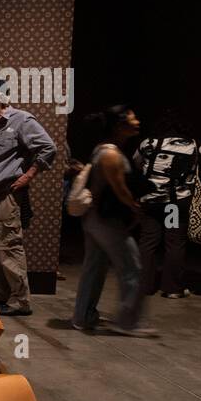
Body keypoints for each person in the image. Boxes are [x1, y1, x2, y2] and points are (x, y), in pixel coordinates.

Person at [0, 85, 56, 316]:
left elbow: (48, 148)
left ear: (0, 97)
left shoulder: (21, 120)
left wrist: (28, 175)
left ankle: (20, 300)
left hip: (2, 195)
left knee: (8, 246)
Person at [72, 105, 155, 336]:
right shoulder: (111, 154)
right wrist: (135, 208)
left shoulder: (103, 150)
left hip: (94, 218)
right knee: (132, 267)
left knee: (94, 268)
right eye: (132, 117)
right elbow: (119, 189)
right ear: (120, 125)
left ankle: (83, 318)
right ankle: (129, 322)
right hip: (106, 220)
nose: (137, 121)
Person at [134, 124, 201, 298]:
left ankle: (144, 286)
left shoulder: (148, 143)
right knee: (174, 242)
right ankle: (172, 288)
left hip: (152, 200)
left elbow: (137, 164)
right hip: (174, 204)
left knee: (148, 241)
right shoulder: (195, 145)